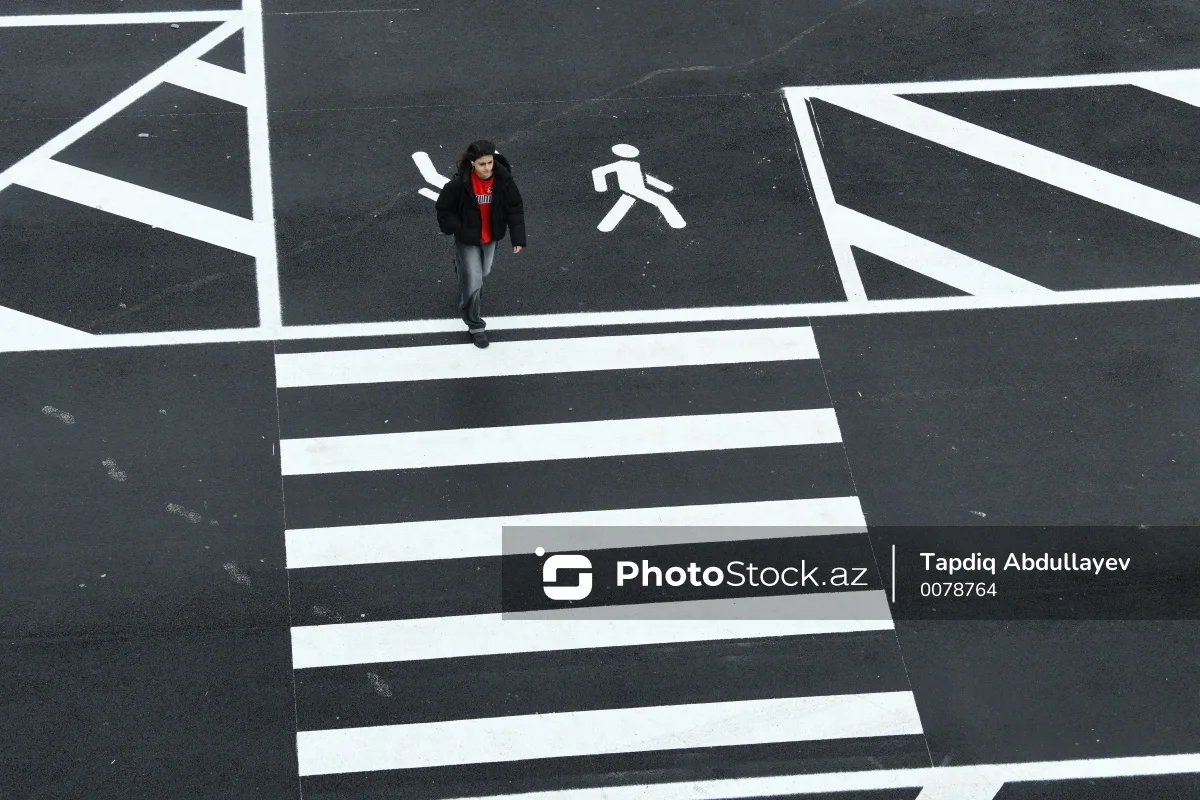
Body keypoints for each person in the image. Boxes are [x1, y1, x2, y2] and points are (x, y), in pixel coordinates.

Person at [435, 140, 526, 348]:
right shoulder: (460, 185)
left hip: (490, 236)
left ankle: (461, 268)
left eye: (490, 163)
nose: (487, 168)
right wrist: (457, 227)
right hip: (467, 238)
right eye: (482, 164)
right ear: (472, 163)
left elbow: (515, 208)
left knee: (483, 272)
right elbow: (443, 208)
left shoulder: (504, 181)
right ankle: (475, 325)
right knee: (474, 282)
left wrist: (518, 238)